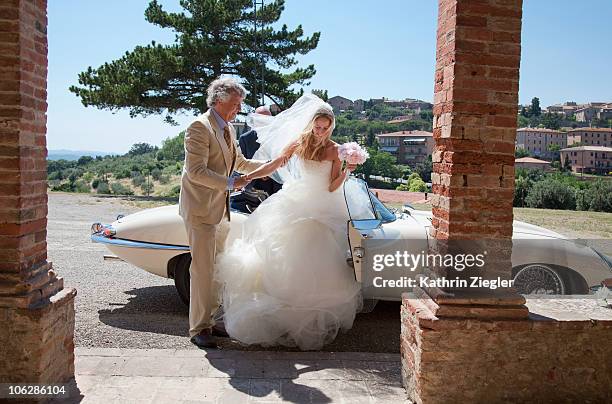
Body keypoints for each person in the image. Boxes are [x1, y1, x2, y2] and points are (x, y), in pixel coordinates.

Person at [215, 95, 362, 350]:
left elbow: (331, 187)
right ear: (311, 124)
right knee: (281, 256)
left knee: (316, 261)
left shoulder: (335, 150)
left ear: (331, 127)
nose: (321, 132)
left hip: (321, 207)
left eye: (326, 128)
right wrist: (248, 176)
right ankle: (279, 315)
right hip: (295, 201)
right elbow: (273, 165)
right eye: (318, 126)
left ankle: (305, 318)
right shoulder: (299, 143)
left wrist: (347, 168)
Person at [179, 77, 266, 349]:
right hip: (201, 210)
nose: (238, 109)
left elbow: (239, 162)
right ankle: (198, 329)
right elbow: (196, 172)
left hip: (221, 211)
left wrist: (274, 163)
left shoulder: (226, 128)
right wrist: (231, 183)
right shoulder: (199, 127)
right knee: (202, 271)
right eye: (235, 103)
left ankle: (209, 321)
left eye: (239, 104)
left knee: (215, 270)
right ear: (218, 100)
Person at [238, 105, 283, 196]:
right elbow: (242, 163)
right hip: (255, 184)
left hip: (277, 183)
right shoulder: (245, 138)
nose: (263, 121)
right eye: (260, 118)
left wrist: (270, 171)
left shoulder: (279, 136)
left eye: (266, 119)